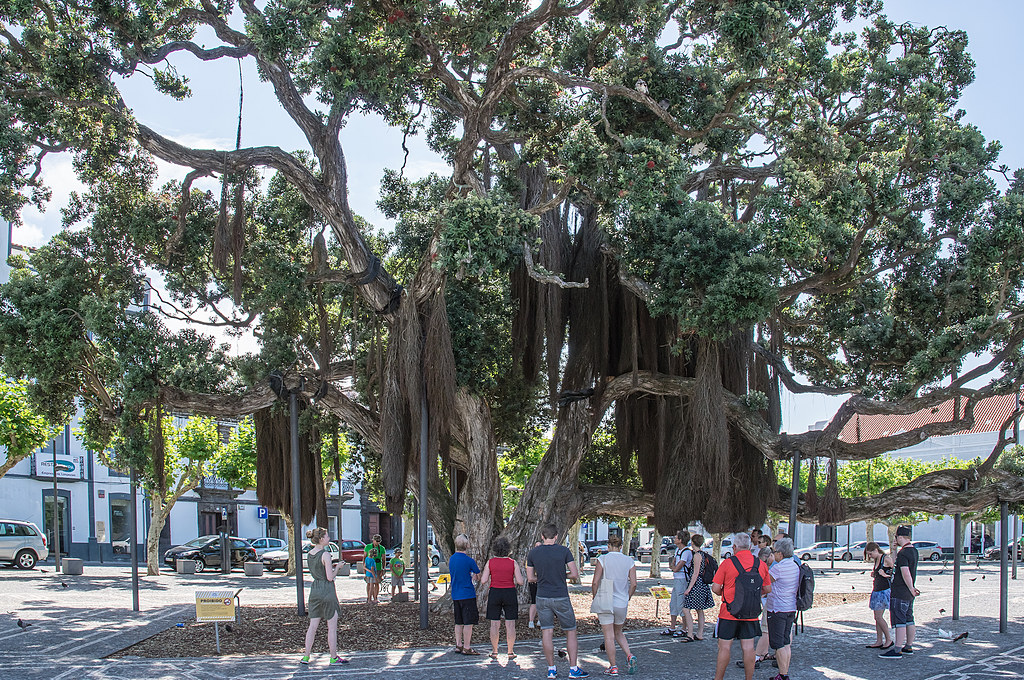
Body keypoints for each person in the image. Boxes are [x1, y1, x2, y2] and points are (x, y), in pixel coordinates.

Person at [527, 523, 589, 678]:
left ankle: (551, 669)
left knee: (546, 632)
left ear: (542, 536)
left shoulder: (533, 553)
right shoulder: (564, 551)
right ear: (556, 536)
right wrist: (563, 576)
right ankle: (573, 669)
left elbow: (530, 578)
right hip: (560, 596)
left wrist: (541, 578)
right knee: (570, 631)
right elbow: (574, 574)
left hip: (542, 596)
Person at [712, 532, 771, 680]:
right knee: (748, 647)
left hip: (728, 611)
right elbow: (768, 589)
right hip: (750, 612)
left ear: (734, 547)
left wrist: (724, 594)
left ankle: (718, 679)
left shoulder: (728, 563)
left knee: (724, 647)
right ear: (750, 546)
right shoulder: (760, 564)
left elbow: (715, 587)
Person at [300, 528, 349, 666]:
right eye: (327, 535)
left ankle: (306, 656)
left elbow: (319, 571)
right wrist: (338, 567)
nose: (329, 537)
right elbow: (329, 577)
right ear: (321, 539)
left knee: (312, 626)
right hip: (327, 591)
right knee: (332, 627)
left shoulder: (309, 554)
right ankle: (333, 657)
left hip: (315, 590)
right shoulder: (326, 554)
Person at [592, 534, 638, 676]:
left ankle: (613, 666)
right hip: (621, 601)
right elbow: (634, 583)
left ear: (608, 546)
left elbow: (595, 581)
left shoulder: (603, 559)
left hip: (606, 599)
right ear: (621, 546)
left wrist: (595, 597)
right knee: (618, 632)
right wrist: (627, 597)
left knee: (609, 636)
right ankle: (629, 655)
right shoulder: (629, 561)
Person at [480, 535, 525, 660]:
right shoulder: (513, 563)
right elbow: (520, 581)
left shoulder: (490, 562)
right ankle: (510, 652)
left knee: (494, 624)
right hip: (509, 592)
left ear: (495, 549)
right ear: (508, 549)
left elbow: (483, 580)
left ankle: (495, 651)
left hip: (495, 592)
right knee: (510, 624)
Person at [879, 526, 920, 659]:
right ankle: (908, 646)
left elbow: (905, 571)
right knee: (909, 618)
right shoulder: (913, 551)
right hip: (908, 593)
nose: (895, 539)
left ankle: (897, 649)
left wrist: (910, 588)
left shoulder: (904, 553)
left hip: (901, 591)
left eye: (896, 537)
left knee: (899, 621)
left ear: (900, 537)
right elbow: (897, 564)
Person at [766, 538, 800, 680]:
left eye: (774, 552)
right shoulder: (794, 565)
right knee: (786, 642)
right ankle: (784, 671)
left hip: (777, 609)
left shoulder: (778, 568)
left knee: (778, 643)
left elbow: (766, 582)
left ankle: (783, 674)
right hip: (790, 607)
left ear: (780, 553)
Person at [449, 533, 482, 655]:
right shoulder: (469, 561)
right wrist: (474, 576)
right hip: (467, 593)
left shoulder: (452, 559)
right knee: (468, 622)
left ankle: (458, 644)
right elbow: (478, 575)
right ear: (467, 545)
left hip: (456, 594)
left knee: (458, 621)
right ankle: (467, 646)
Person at [682, 534, 714, 641]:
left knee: (686, 608)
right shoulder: (704, 554)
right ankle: (699, 633)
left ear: (692, 542)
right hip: (702, 584)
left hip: (696, 585)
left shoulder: (697, 555)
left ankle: (690, 634)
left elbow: (695, 573)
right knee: (699, 610)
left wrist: (689, 588)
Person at [662, 529, 692, 639]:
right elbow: (673, 565)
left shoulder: (686, 552)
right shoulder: (677, 551)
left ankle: (684, 628)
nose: (674, 539)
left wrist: (674, 567)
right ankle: (673, 627)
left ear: (680, 540)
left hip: (682, 580)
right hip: (677, 579)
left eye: (676, 538)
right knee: (673, 603)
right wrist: (674, 567)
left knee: (681, 604)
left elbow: (677, 567)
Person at [865, 542, 894, 650]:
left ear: (875, 550)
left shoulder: (886, 559)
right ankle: (879, 640)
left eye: (870, 554)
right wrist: (875, 574)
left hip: (884, 590)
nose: (870, 556)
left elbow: (895, 572)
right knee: (877, 618)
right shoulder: (877, 559)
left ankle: (889, 639)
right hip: (877, 589)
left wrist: (885, 575)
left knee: (878, 617)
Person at [364, 534, 386, 604]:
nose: (377, 543)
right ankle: (369, 597)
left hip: (378, 568)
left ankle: (375, 598)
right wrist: (364, 568)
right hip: (369, 568)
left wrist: (383, 569)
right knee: (369, 583)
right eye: (376, 541)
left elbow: (383, 559)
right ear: (373, 540)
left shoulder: (382, 548)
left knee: (376, 583)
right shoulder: (368, 547)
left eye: (379, 541)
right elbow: (364, 557)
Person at [527, 540, 542, 628]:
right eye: (536, 546)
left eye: (539, 546)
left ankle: (540, 620)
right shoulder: (531, 557)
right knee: (534, 602)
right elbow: (530, 572)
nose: (538, 548)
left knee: (542, 602)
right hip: (533, 583)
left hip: (542, 582)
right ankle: (531, 621)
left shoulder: (545, 557)